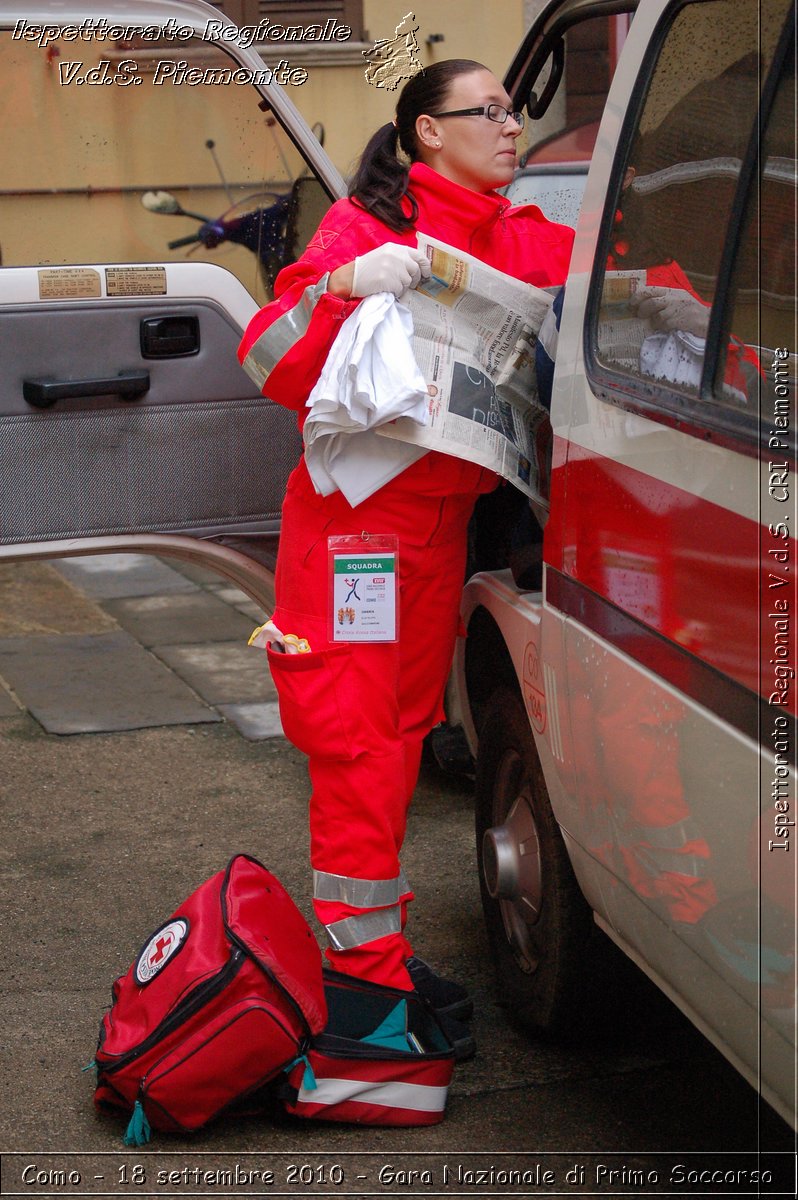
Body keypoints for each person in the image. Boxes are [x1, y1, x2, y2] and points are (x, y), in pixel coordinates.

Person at [238, 60, 574, 1022]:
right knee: (358, 751)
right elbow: (266, 357)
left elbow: (612, 289)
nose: (513, 128)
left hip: (435, 540)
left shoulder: (520, 235)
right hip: (356, 541)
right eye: (491, 112)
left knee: (400, 739)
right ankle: (363, 986)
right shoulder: (367, 230)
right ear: (428, 132)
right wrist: (341, 286)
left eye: (516, 112)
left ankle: (373, 959)